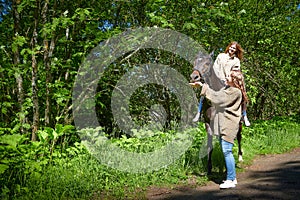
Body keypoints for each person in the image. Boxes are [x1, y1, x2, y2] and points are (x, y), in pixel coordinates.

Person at [190, 70, 249, 189]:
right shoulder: (228, 90)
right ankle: (233, 178)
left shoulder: (235, 92)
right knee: (227, 151)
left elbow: (218, 99)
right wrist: (202, 85)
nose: (226, 77)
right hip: (225, 124)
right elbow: (216, 96)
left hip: (229, 125)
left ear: (235, 80)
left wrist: (202, 86)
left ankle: (230, 179)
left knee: (227, 152)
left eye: (229, 76)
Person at [193, 41, 250, 126]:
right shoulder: (221, 56)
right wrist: (217, 77)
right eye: (231, 47)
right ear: (228, 47)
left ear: (236, 50)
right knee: (204, 90)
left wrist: (229, 79)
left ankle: (244, 115)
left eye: (234, 48)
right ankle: (198, 112)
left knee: (241, 93)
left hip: (229, 80)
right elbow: (215, 66)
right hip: (218, 78)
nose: (232, 49)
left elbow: (235, 71)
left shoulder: (236, 60)